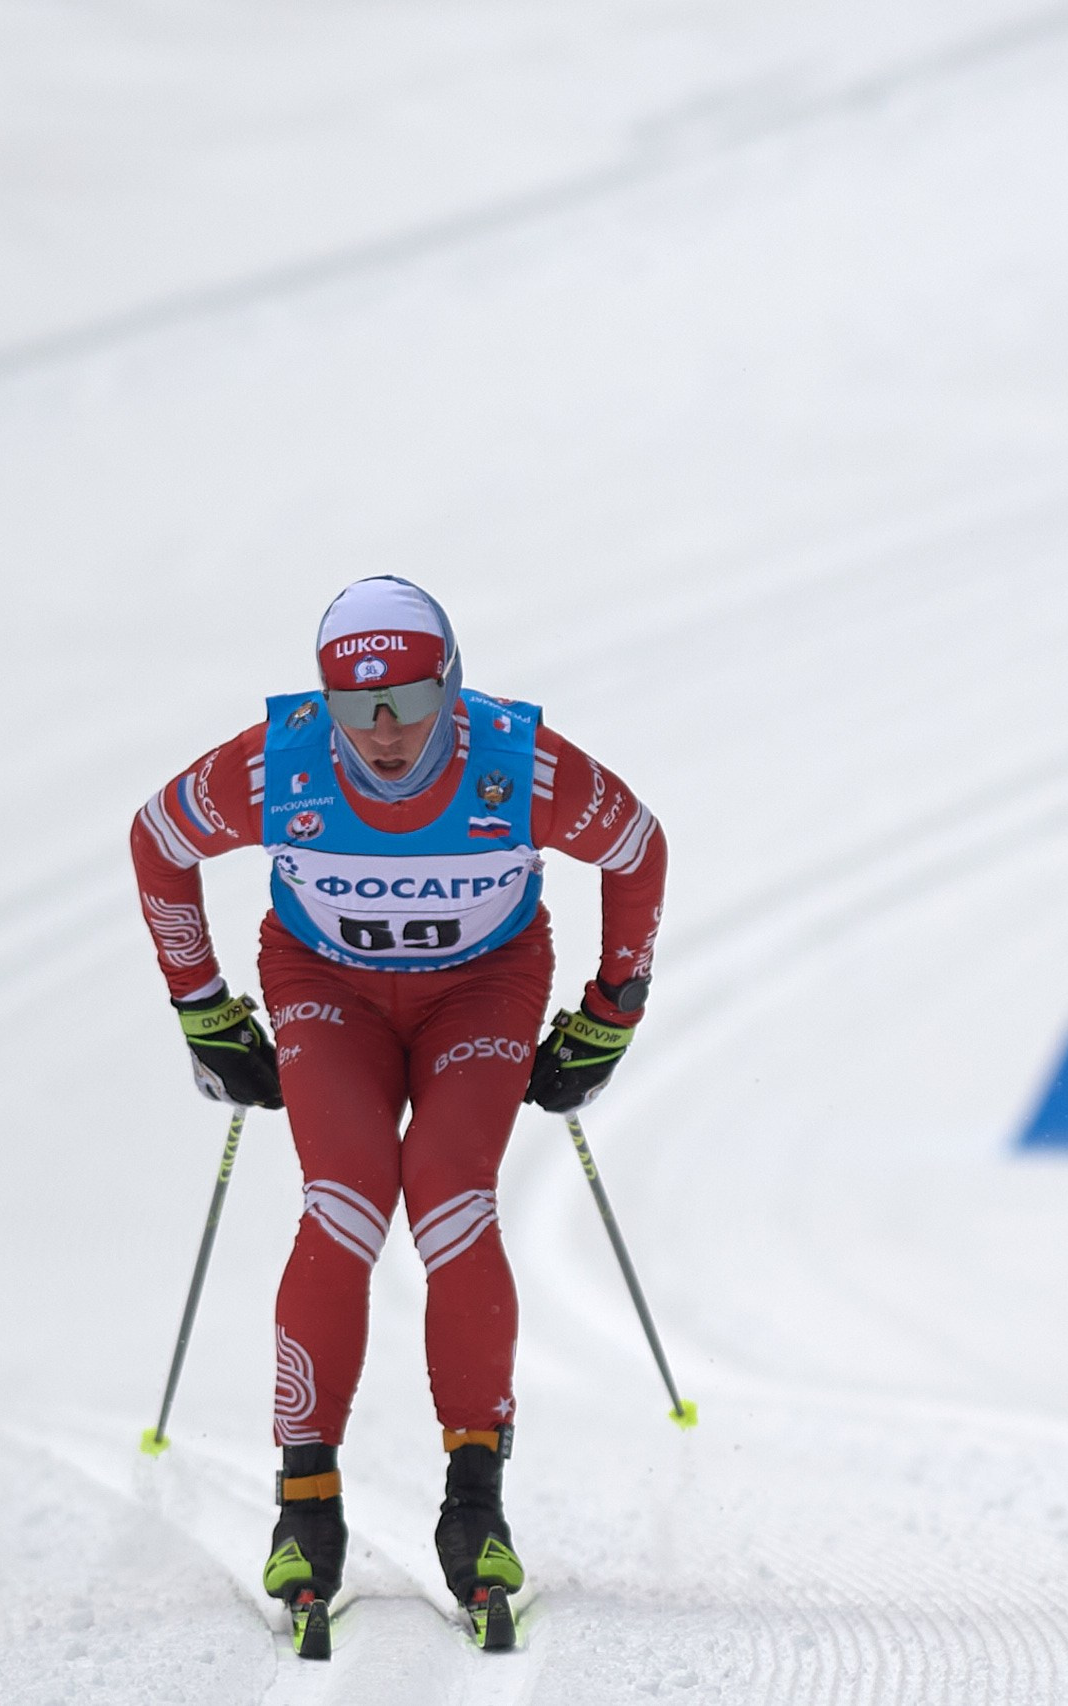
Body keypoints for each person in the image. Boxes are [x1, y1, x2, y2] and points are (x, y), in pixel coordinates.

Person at [130, 575, 666, 1646]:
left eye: (411, 703)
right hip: (327, 987)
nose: (381, 733)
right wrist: (202, 1008)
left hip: (484, 986)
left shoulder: (520, 768)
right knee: (346, 1198)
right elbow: (158, 838)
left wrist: (613, 1008)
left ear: (452, 687)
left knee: (451, 1196)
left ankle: (475, 1498)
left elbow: (638, 847)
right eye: (353, 706)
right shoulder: (274, 764)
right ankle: (305, 1500)